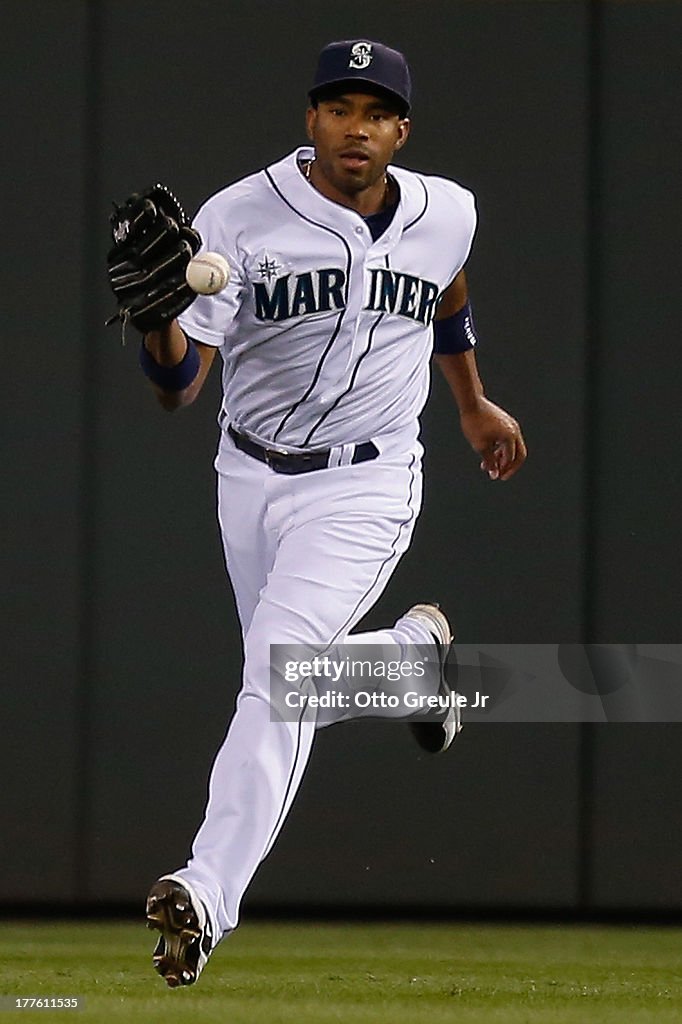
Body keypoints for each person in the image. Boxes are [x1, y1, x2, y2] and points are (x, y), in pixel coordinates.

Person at [113, 39, 526, 987]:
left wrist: (469, 402)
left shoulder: (445, 210)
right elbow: (181, 386)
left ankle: (205, 894)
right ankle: (411, 667)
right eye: (340, 107)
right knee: (293, 686)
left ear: (401, 130)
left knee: (275, 673)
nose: (358, 126)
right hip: (249, 477)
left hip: (367, 481)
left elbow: (445, 290)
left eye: (377, 112)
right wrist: (153, 316)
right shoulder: (239, 215)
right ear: (311, 120)